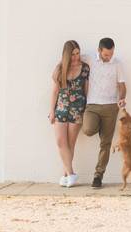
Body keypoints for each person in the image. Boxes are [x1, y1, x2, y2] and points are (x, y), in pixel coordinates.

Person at [81, 37, 126, 188]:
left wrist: (122, 98)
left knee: (105, 143)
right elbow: (72, 59)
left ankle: (98, 176)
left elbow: (121, 85)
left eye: (111, 54)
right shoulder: (89, 59)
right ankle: (99, 126)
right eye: (106, 54)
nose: (109, 57)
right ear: (99, 50)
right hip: (92, 105)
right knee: (88, 130)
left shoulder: (117, 64)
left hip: (110, 107)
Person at [48, 40, 89, 187]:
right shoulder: (60, 69)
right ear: (67, 55)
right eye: (73, 54)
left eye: (77, 53)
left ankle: (66, 175)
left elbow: (86, 91)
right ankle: (71, 173)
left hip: (77, 109)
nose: (76, 57)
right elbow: (55, 91)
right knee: (61, 142)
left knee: (70, 144)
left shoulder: (85, 69)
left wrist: (86, 109)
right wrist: (51, 111)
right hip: (61, 108)